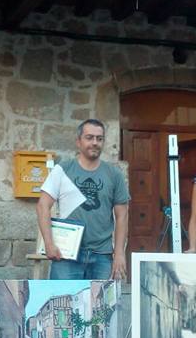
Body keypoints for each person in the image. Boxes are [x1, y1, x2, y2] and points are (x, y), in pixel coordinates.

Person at [37, 119, 129, 280]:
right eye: (89, 137)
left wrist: (120, 253)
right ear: (78, 141)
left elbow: (122, 215)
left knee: (100, 305)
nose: (95, 142)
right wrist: (49, 243)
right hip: (66, 254)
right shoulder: (62, 170)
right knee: (63, 303)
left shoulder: (114, 175)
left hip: (103, 255)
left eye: (99, 139)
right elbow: (42, 206)